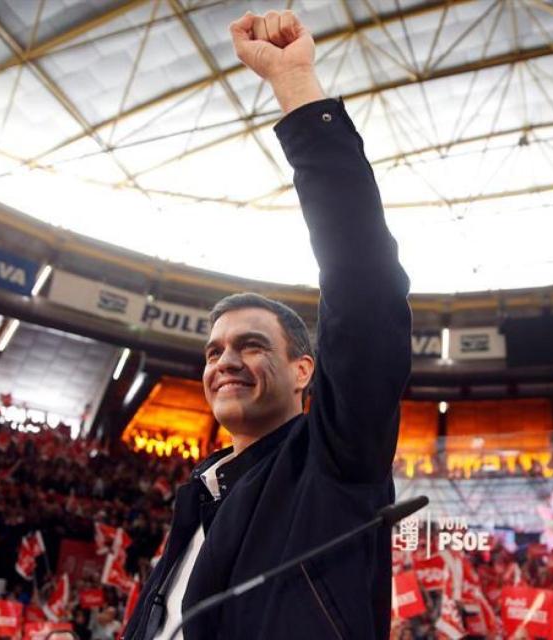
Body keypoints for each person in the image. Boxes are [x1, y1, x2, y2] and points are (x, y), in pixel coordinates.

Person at [124, 8, 411, 640]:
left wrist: (296, 86)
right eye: (213, 351)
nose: (223, 360)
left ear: (304, 369)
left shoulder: (335, 459)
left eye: (251, 346)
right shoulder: (197, 498)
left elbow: (364, 287)